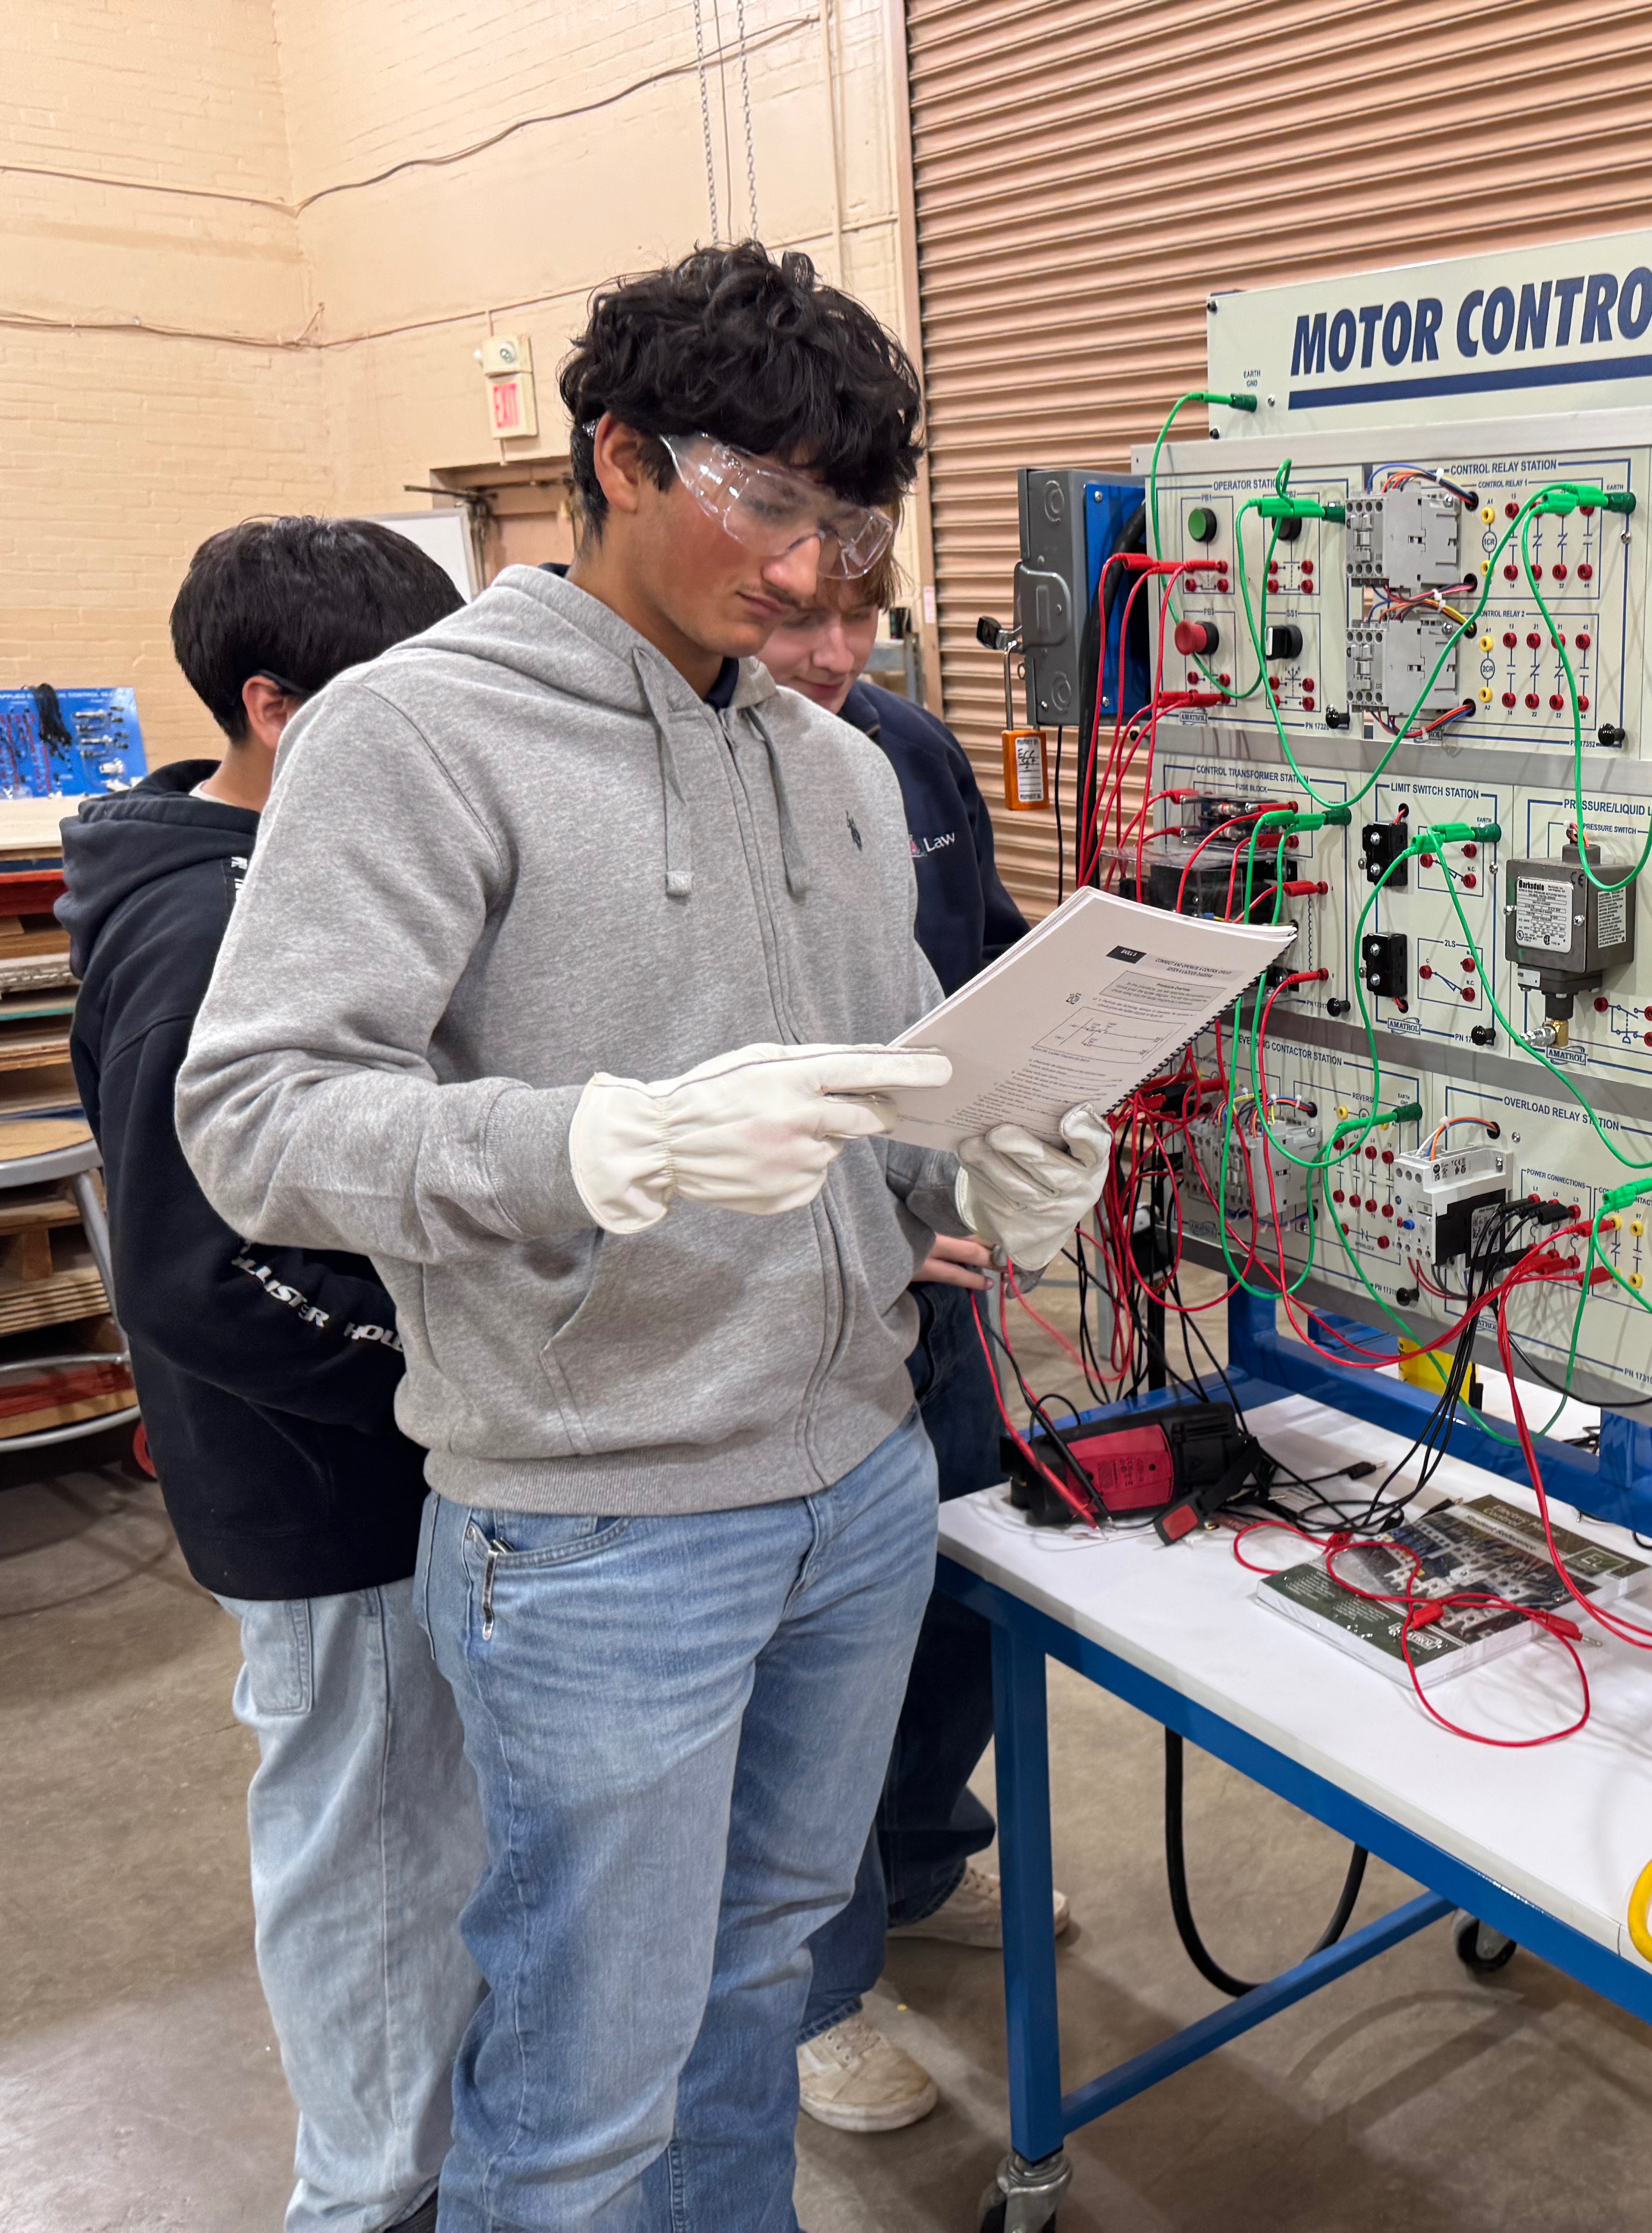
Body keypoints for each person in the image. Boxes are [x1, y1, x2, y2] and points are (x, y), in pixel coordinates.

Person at [174, 243, 1111, 2232]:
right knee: (586, 2075)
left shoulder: (840, 769)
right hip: (599, 1526)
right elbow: (250, 1119)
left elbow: (886, 1107)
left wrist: (988, 1168)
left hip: (854, 1485)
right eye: (764, 503)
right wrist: (596, 1144)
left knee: (757, 1985)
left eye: (850, 524)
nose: (811, 573)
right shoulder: (415, 740)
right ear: (615, 455)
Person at [59, 517, 472, 2233]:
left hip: (383, 1465)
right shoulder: (198, 935)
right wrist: (434, 1378)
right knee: (368, 1859)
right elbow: (201, 1267)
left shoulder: (292, 869)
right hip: (328, 1492)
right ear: (280, 708)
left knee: (421, 1844)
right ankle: (367, 2199)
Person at [756, 562, 1044, 2132]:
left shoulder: (905, 754)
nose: (836, 654)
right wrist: (870, 1213)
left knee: (960, 1607)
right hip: (812, 1315)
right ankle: (821, 1990)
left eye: (863, 619)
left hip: (942, 1291)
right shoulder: (720, 782)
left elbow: (979, 974)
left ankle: (925, 1855)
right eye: (803, 621)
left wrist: (1025, 1121)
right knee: (815, 1685)